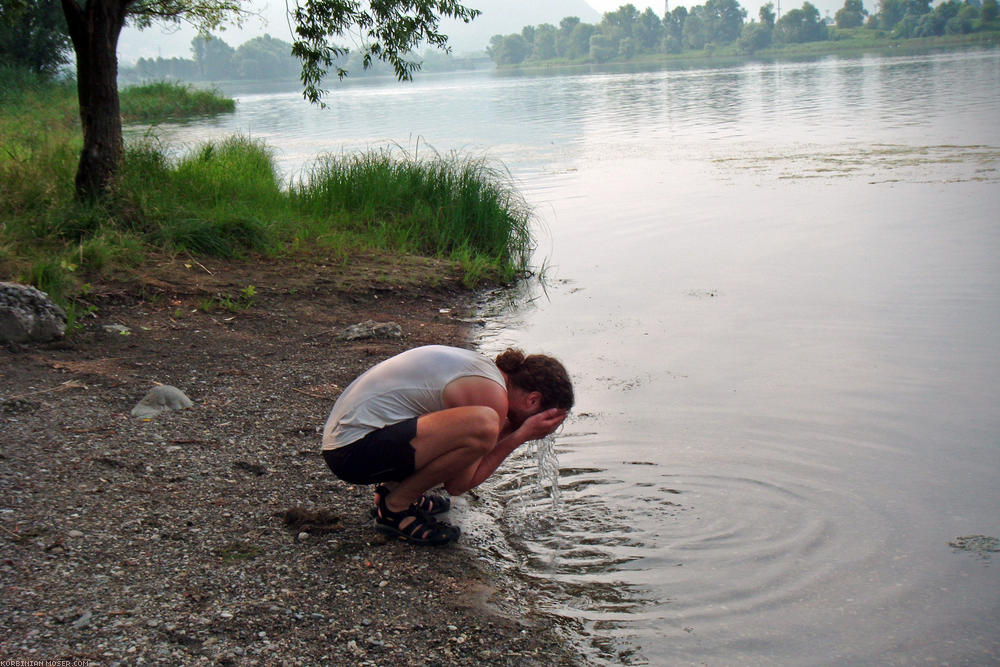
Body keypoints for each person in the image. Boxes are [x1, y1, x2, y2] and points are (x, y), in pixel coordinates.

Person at [321, 344, 573, 546]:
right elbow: (458, 484)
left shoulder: (486, 374)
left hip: (350, 443)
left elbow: (454, 446)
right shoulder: (493, 398)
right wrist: (519, 436)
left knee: (480, 427)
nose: (546, 430)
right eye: (547, 420)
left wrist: (511, 428)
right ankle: (395, 508)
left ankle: (394, 489)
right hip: (352, 453)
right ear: (533, 399)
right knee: (484, 424)